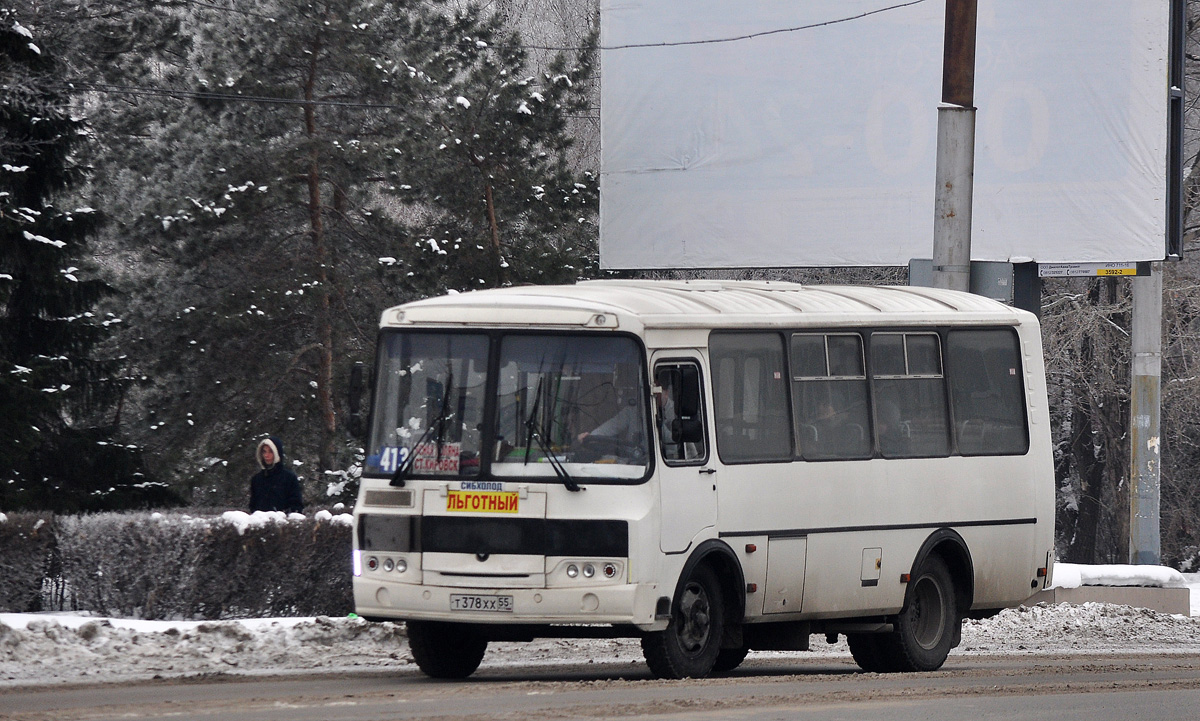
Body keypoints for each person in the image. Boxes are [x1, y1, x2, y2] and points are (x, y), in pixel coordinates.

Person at [249, 436, 304, 513]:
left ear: (277, 453)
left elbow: (296, 506)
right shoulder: (256, 479)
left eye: (270, 451)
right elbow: (253, 507)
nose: (266, 455)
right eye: (264, 451)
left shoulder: (289, 478)